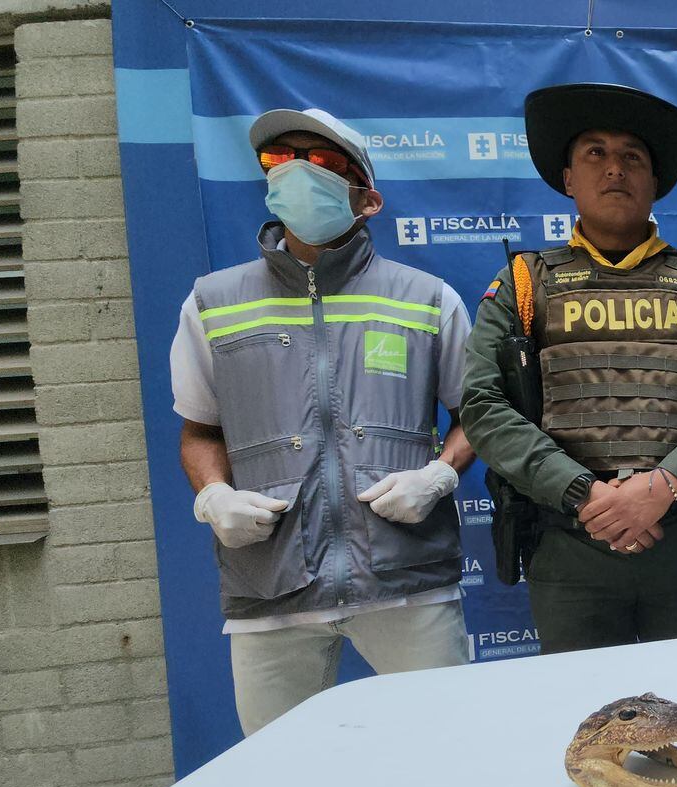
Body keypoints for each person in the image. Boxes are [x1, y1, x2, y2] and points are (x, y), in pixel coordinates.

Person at [170, 108, 474, 735]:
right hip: (270, 586)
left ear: (369, 197)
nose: (301, 174)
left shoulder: (426, 298)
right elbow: (200, 429)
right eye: (281, 161)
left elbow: (477, 417)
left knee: (447, 755)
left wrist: (438, 477)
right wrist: (214, 496)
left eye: (327, 163)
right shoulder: (212, 302)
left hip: (406, 581)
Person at [461, 83, 677, 653]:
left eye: (632, 157)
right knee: (587, 725)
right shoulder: (526, 282)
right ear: (568, 178)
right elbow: (482, 403)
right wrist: (583, 494)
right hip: (571, 548)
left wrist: (661, 487)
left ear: (655, 182)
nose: (614, 168)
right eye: (594, 153)